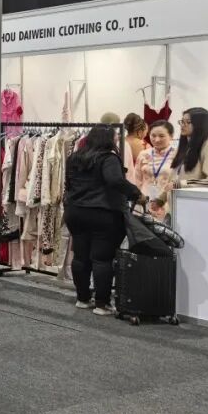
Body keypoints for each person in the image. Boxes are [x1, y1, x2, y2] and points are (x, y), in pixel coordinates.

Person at [64, 124, 146, 315]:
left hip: (75, 212)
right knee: (102, 259)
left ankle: (82, 298)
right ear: (108, 139)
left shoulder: (75, 157)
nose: (117, 139)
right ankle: (102, 304)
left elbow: (68, 183)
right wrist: (136, 193)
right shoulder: (108, 158)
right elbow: (115, 180)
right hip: (103, 213)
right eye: (115, 137)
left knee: (81, 257)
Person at [135, 120, 176, 220]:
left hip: (167, 202)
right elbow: (137, 180)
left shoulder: (177, 155)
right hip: (144, 201)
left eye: (161, 136)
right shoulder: (143, 154)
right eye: (153, 135)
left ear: (171, 136)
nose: (156, 140)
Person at [173, 107, 208, 185]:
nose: (182, 125)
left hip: (192, 193)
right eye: (182, 121)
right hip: (175, 192)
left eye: (188, 122)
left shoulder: (206, 146)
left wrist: (182, 184)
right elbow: (173, 176)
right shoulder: (184, 145)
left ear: (200, 124)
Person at [123, 113, 148, 184]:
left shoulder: (122, 141)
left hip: (123, 178)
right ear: (140, 131)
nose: (146, 134)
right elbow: (145, 166)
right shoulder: (140, 143)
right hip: (136, 179)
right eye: (146, 131)